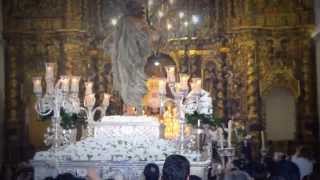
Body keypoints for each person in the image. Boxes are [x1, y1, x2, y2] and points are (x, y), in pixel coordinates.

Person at [110, 0, 153, 114]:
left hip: (137, 58)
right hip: (125, 56)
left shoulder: (141, 22)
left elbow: (147, 41)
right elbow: (116, 38)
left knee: (136, 80)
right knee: (126, 80)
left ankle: (136, 108)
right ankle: (129, 107)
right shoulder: (123, 21)